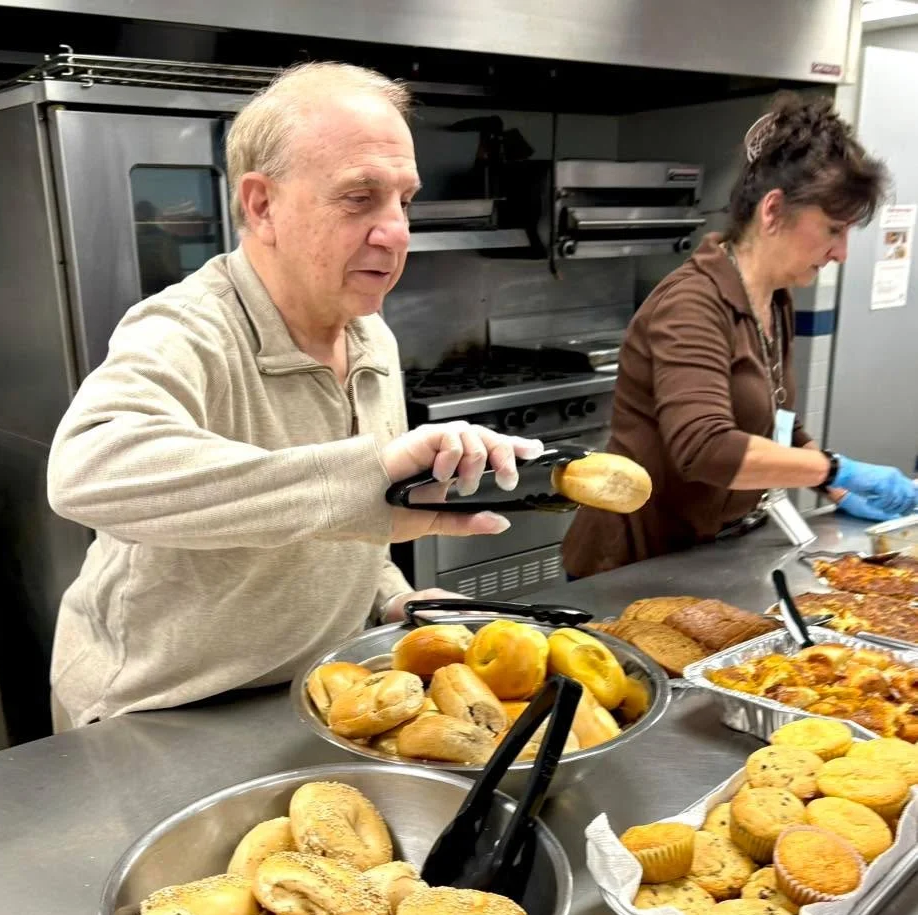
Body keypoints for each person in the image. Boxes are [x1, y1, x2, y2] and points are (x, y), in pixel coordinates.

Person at [46, 62, 542, 728]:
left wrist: (394, 599)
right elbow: (87, 471)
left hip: (310, 692)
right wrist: (359, 482)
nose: (395, 231)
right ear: (261, 205)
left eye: (404, 199)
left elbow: (338, 528)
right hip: (155, 712)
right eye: (358, 197)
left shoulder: (371, 336)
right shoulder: (188, 328)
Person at [563, 92, 916, 579]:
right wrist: (834, 469)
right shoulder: (691, 304)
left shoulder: (774, 298)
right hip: (636, 562)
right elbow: (705, 447)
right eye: (834, 229)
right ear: (773, 211)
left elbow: (775, 423)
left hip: (712, 552)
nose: (841, 252)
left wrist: (837, 490)